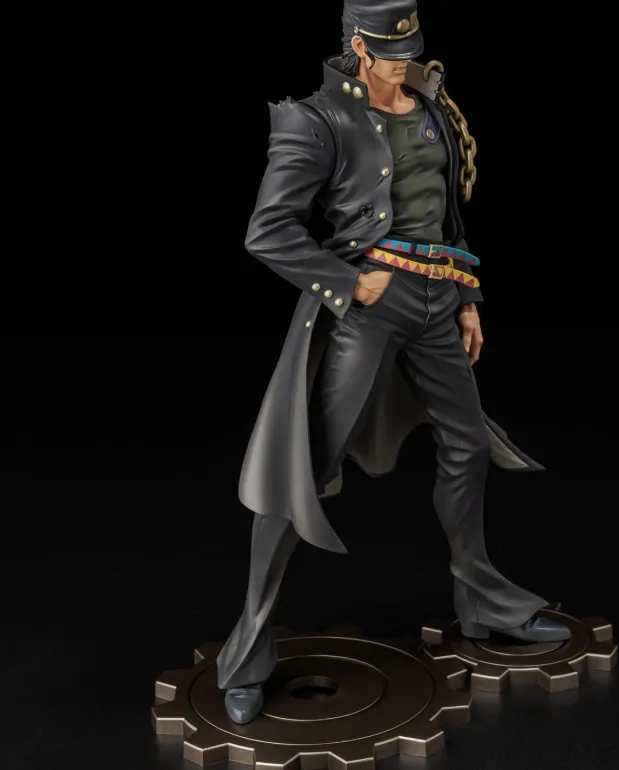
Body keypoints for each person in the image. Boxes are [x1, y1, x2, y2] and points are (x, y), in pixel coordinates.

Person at [216, 0, 571, 725]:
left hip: (438, 300)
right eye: (390, 54)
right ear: (358, 46)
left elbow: (446, 215)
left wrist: (467, 296)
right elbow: (268, 230)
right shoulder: (318, 119)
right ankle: (246, 651)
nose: (403, 65)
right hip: (371, 307)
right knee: (305, 467)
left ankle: (483, 603)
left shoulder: (431, 107)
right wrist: (350, 284)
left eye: (411, 51)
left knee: (469, 445)